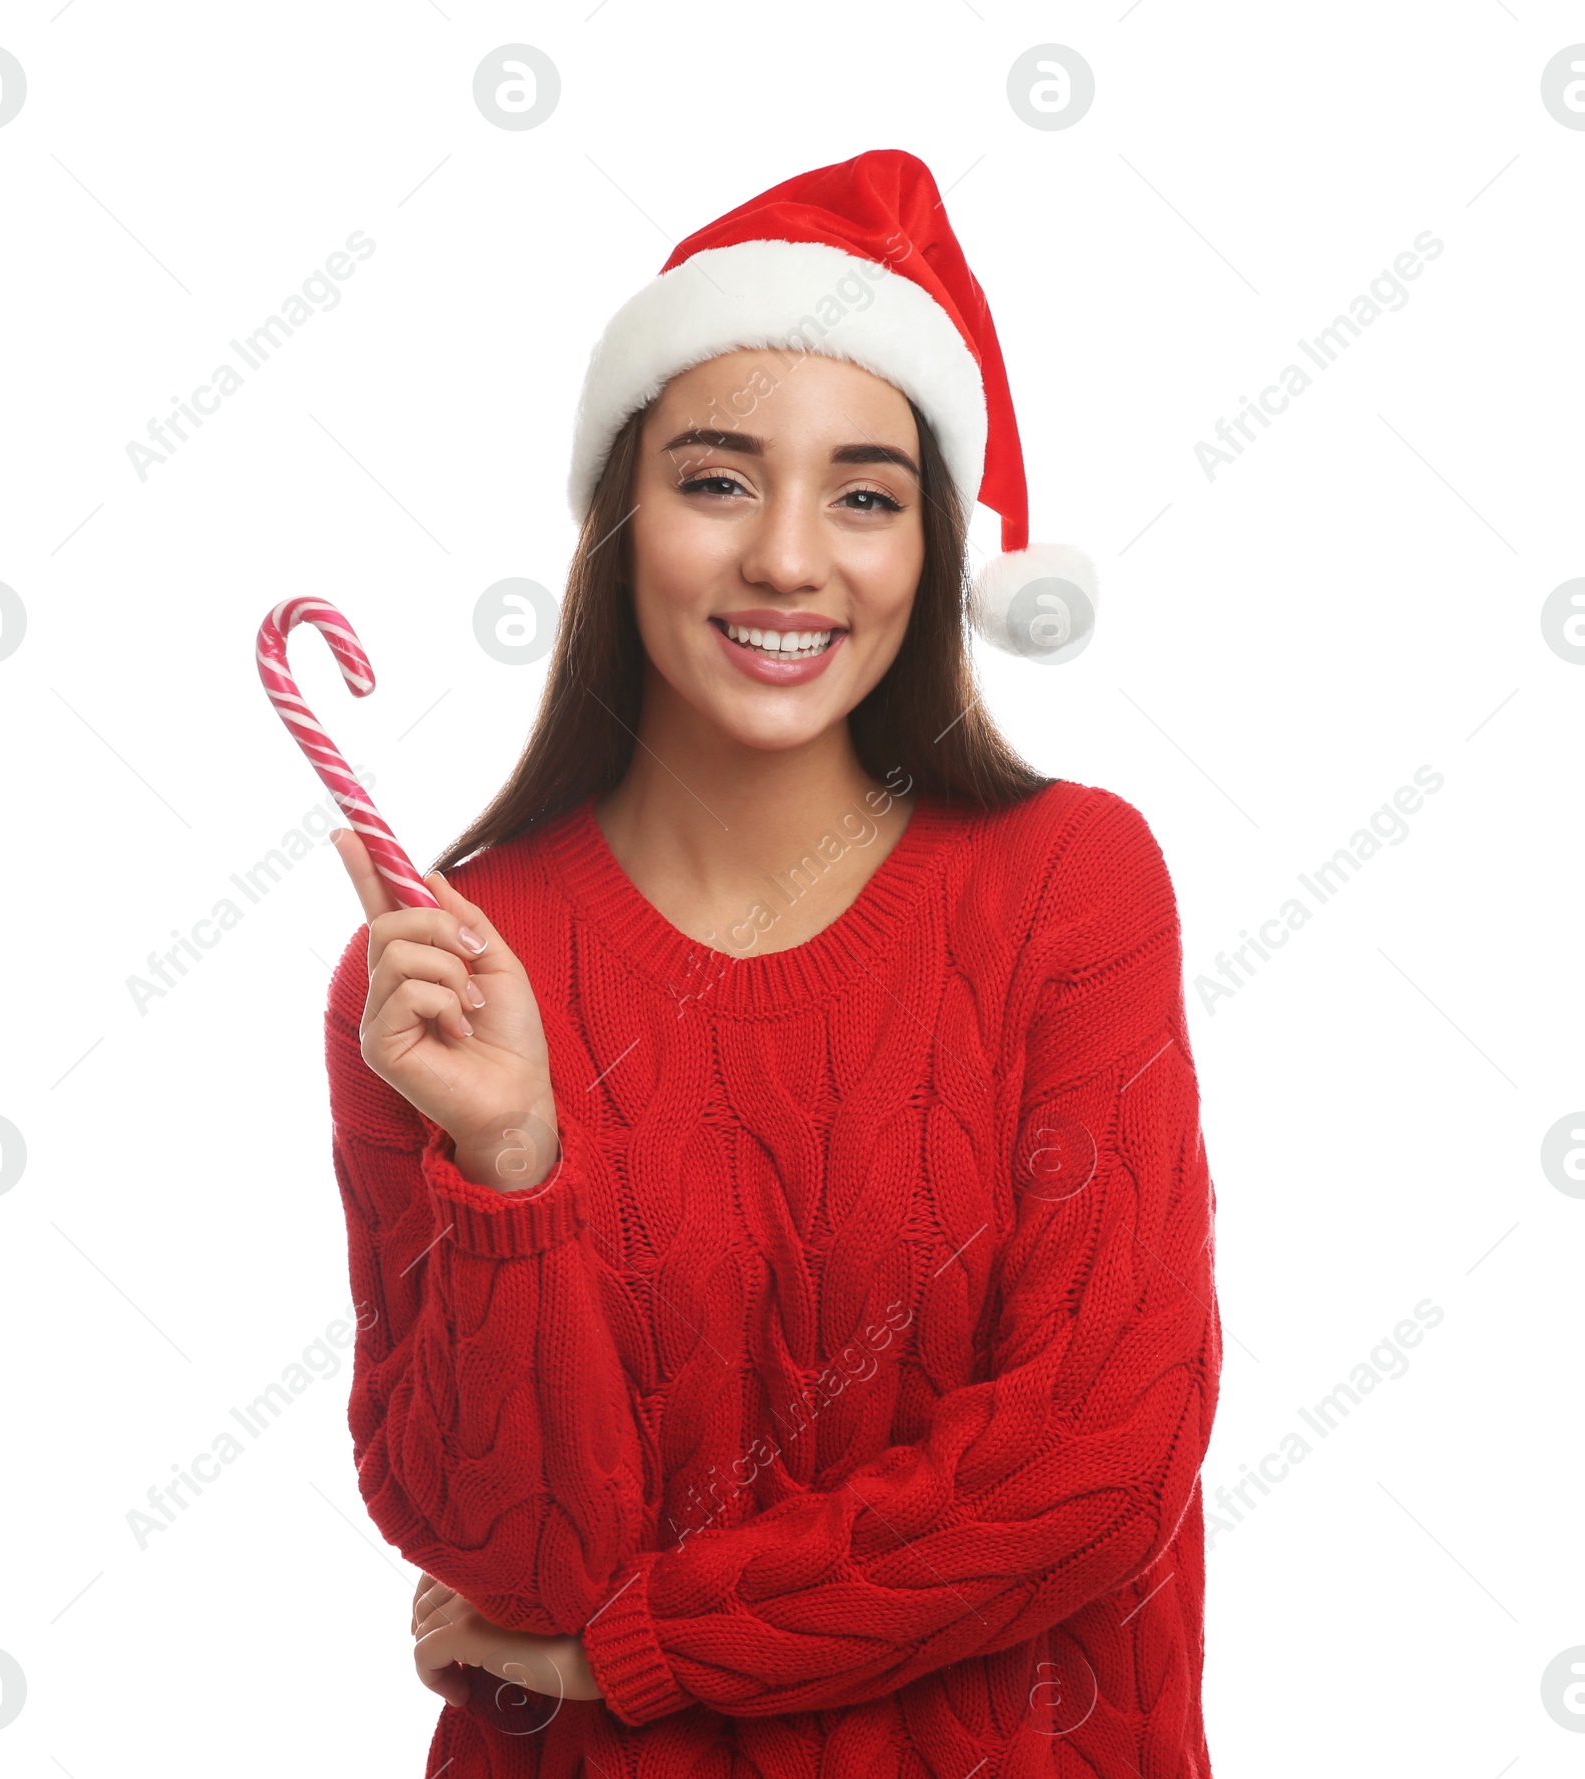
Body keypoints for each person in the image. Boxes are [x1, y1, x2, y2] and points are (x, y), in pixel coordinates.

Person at [324, 148, 1222, 1777]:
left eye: (865, 494)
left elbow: (1099, 1453)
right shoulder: (443, 978)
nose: (791, 561)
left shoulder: (1070, 890)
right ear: (624, 517)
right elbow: (502, 1562)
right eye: (719, 480)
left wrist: (642, 1649)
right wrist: (512, 1166)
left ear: (935, 545)